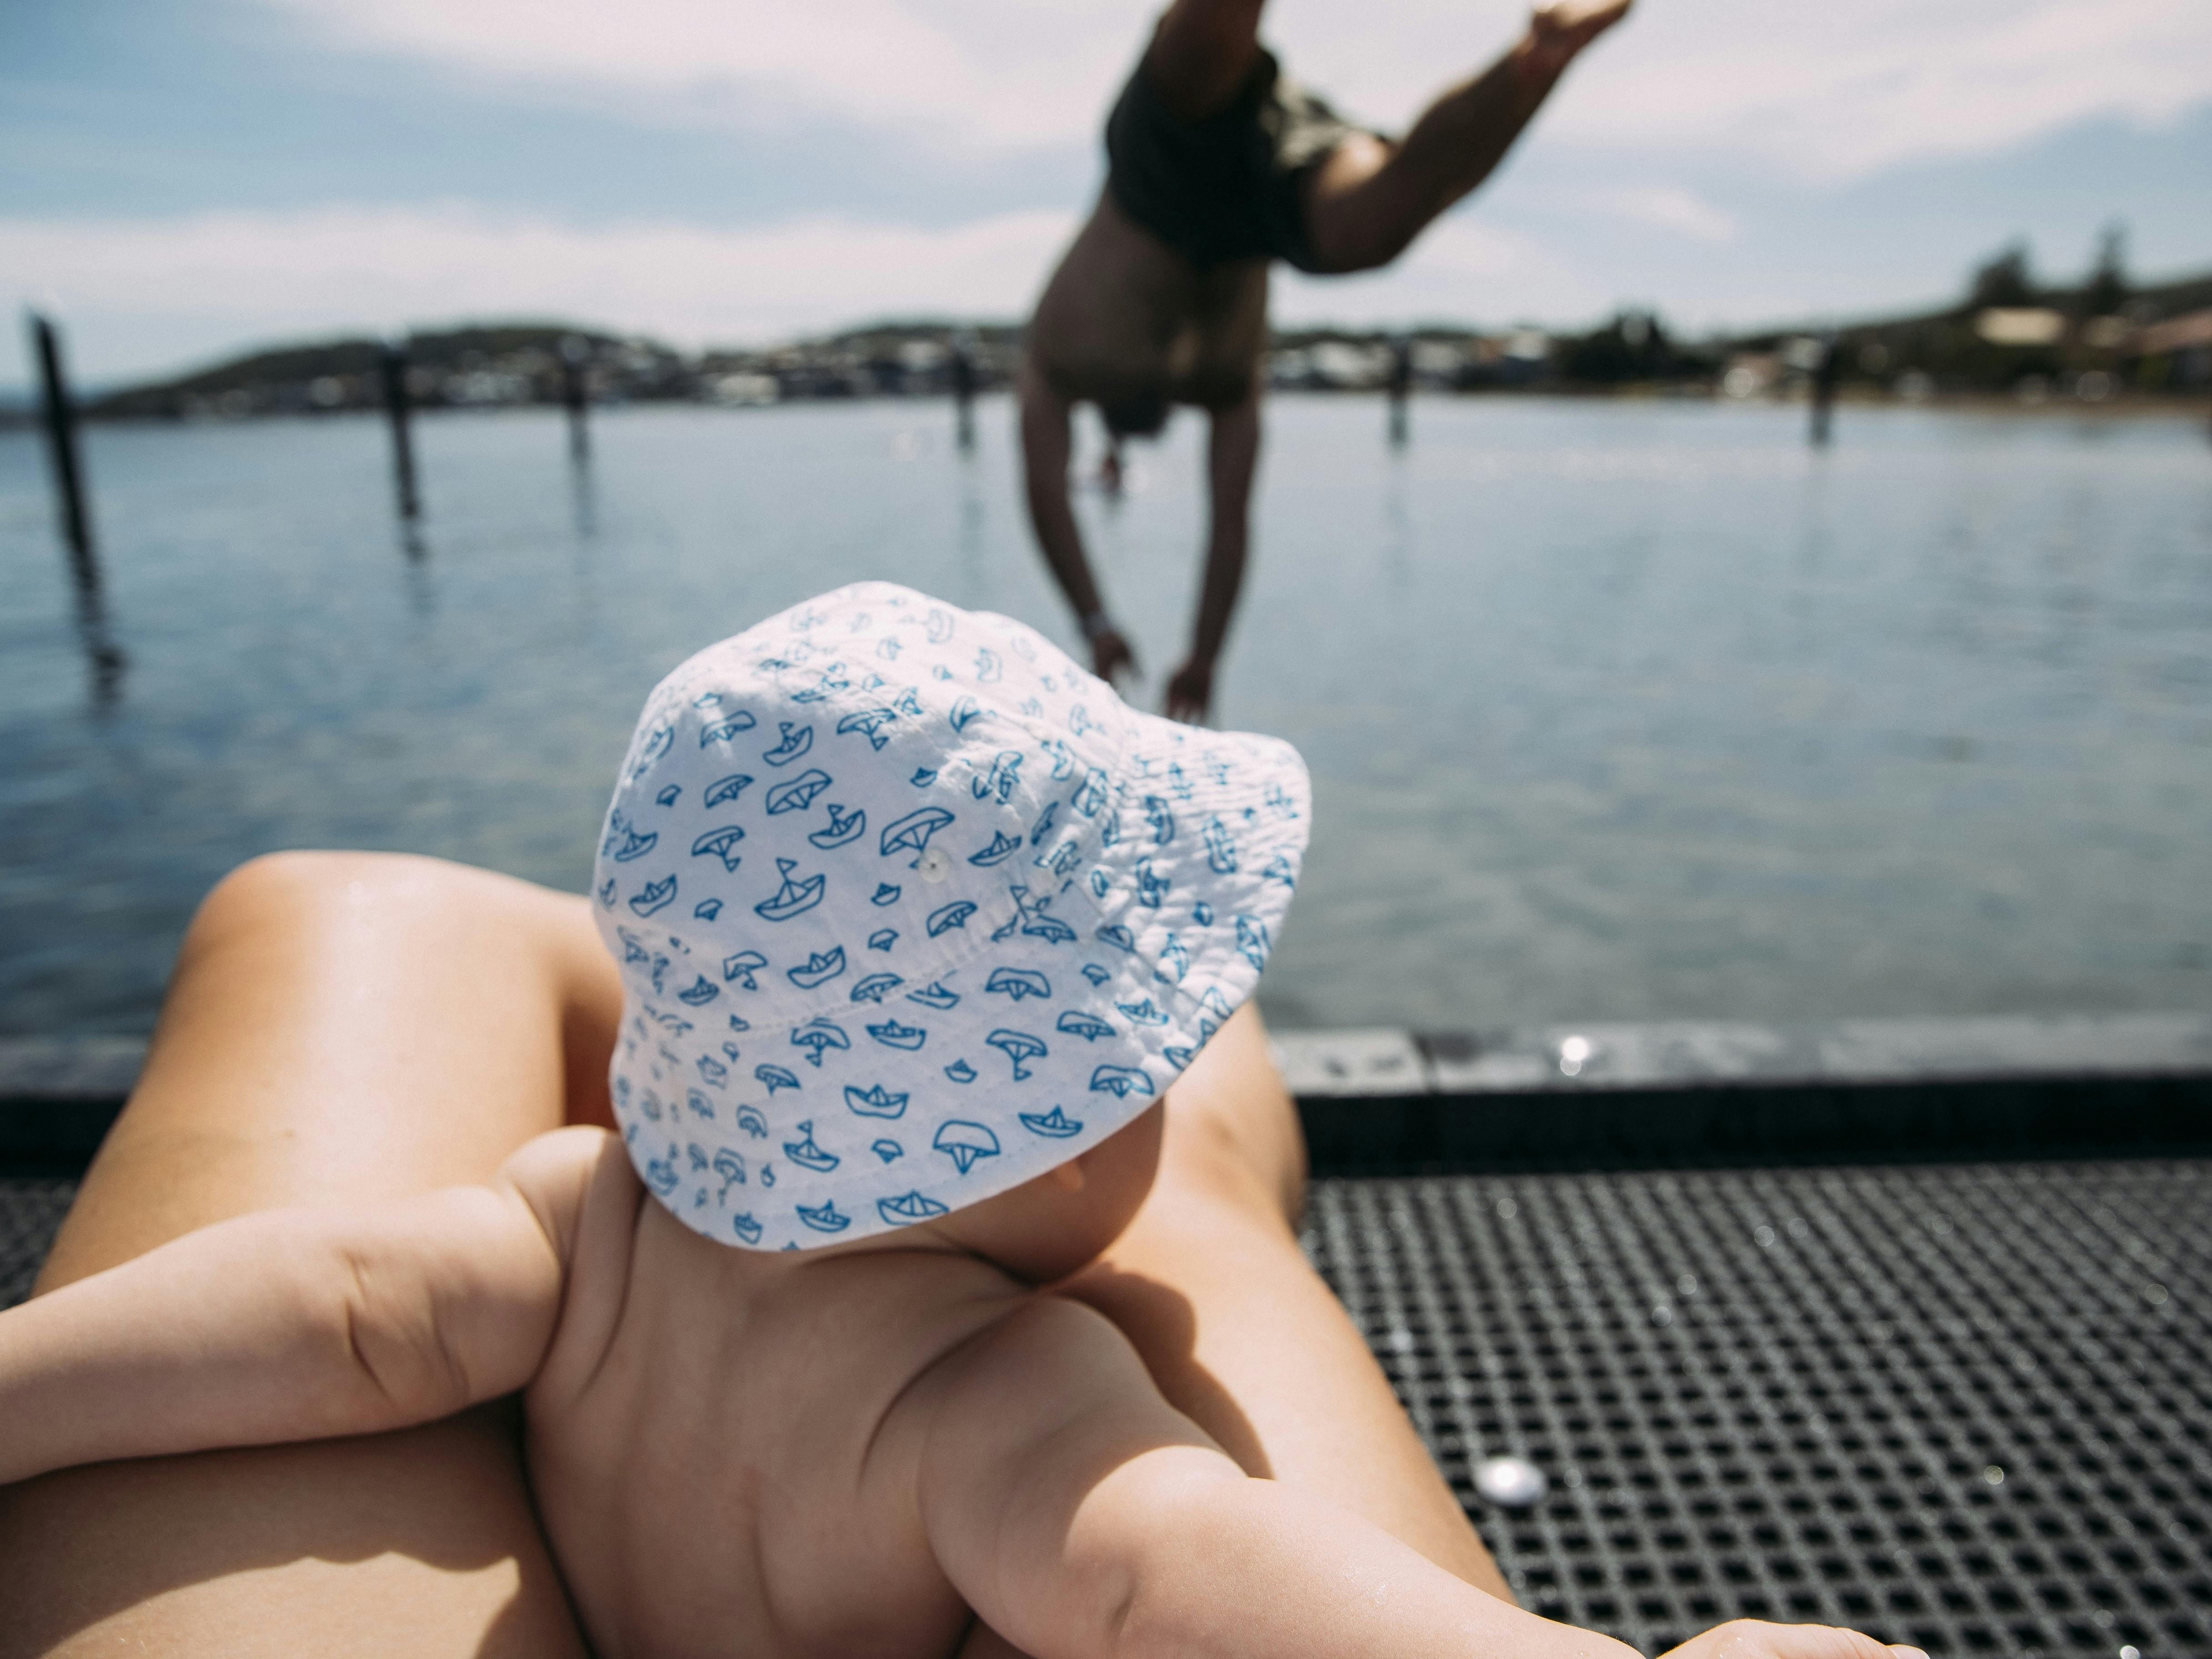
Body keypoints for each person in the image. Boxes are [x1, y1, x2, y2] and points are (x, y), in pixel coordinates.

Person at [2, 585, 1908, 1659]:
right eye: (1148, 1067)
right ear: (1068, 1136)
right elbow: (1170, 1578)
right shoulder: (997, 1390)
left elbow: (330, 1310)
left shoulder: (577, 1216)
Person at [1022, 0, 1633, 724]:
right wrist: (1203, 656)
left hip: (1157, 181)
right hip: (1266, 207)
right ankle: (1535, 60)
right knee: (1369, 227)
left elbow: (1050, 496)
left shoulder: (1059, 357)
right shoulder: (1224, 382)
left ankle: (1536, 61)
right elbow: (1227, 524)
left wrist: (1098, 623)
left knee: (1200, 61)